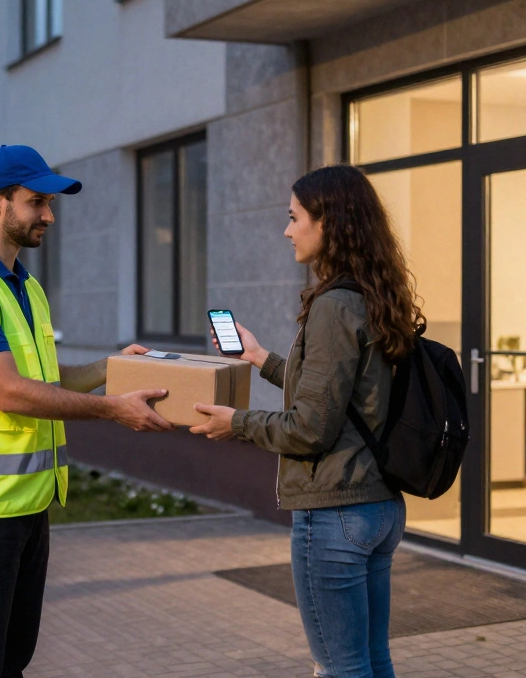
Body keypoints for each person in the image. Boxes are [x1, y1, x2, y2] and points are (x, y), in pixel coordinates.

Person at [0, 145, 172, 678]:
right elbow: (11, 392)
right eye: (38, 202)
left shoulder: (23, 285)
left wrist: (110, 366)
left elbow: (45, 383)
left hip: (27, 505)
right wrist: (112, 411)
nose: (50, 216)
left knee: (11, 656)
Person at [191, 164, 423, 678]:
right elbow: (342, 397)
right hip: (378, 505)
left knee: (341, 668)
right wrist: (261, 358)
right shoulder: (375, 296)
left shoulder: (334, 306)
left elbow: (310, 428)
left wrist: (237, 422)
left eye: (295, 217)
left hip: (336, 511)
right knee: (370, 659)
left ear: (329, 223)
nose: (286, 229)